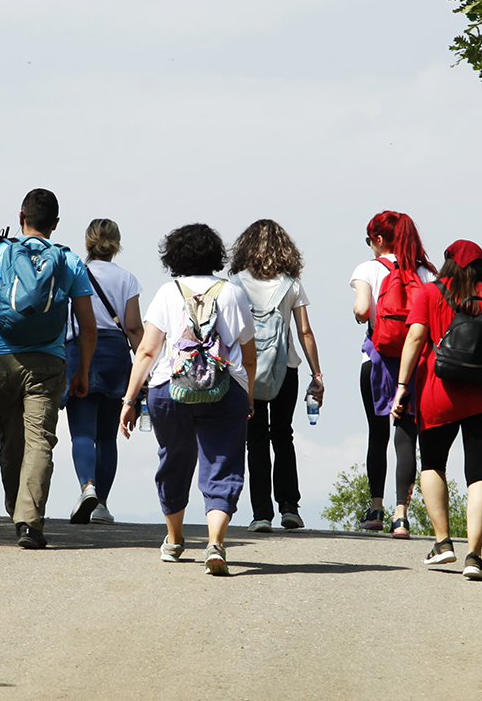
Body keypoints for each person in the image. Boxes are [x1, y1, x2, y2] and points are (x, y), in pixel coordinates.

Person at [0, 188, 95, 550]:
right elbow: (87, 324)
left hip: (2, 359)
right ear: (56, 224)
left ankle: (17, 509)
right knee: (40, 441)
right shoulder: (69, 261)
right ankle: (29, 521)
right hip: (49, 363)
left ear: (21, 217)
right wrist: (83, 372)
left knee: (11, 439)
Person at [120, 224, 257, 575]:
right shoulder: (233, 293)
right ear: (216, 255)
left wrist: (130, 399)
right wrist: (249, 394)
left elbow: (148, 351)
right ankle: (215, 542)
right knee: (223, 464)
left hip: (172, 389)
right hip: (225, 389)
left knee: (174, 461)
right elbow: (249, 352)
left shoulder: (168, 292)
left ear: (174, 255)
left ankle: (175, 539)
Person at [390, 239, 482, 581]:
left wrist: (401, 388)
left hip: (438, 391)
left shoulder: (430, 293)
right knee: (479, 475)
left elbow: (415, 339)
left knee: (432, 463)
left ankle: (443, 542)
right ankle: (474, 557)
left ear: (448, 262)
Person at [229, 219, 324, 532]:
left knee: (255, 439)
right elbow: (305, 331)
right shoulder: (291, 284)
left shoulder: (237, 284)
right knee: (283, 434)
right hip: (287, 367)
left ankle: (261, 514)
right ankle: (289, 507)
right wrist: (317, 373)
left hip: (247, 369)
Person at [350, 211, 434, 536]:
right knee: (407, 436)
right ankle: (402, 514)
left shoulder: (367, 268)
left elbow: (361, 309)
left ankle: (376, 509)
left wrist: (367, 319)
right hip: (414, 364)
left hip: (376, 361)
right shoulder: (425, 272)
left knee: (377, 434)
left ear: (380, 240)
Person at [64, 218, 143, 525]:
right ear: (116, 245)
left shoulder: (74, 273)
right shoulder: (127, 279)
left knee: (82, 431)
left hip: (80, 350)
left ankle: (87, 487)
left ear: (88, 243)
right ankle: (102, 505)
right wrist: (144, 368)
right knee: (107, 437)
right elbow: (134, 327)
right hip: (114, 355)